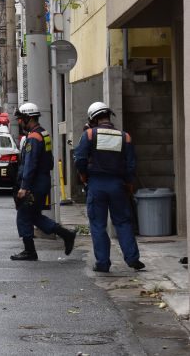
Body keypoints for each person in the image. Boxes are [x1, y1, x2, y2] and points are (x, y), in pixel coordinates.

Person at [74, 102, 144, 272]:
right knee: (123, 222)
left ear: (93, 118)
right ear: (108, 116)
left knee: (98, 224)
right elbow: (131, 165)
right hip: (118, 184)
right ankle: (132, 258)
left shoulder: (89, 135)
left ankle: (103, 263)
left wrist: (83, 176)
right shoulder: (124, 136)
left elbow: (80, 159)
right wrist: (128, 184)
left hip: (96, 183)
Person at [11, 102, 77, 261]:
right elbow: (50, 161)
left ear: (28, 118)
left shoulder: (34, 138)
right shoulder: (43, 134)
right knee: (35, 217)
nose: (19, 122)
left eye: (21, 119)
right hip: (42, 181)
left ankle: (30, 251)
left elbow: (30, 164)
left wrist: (24, 187)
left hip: (33, 184)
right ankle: (66, 235)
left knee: (24, 216)